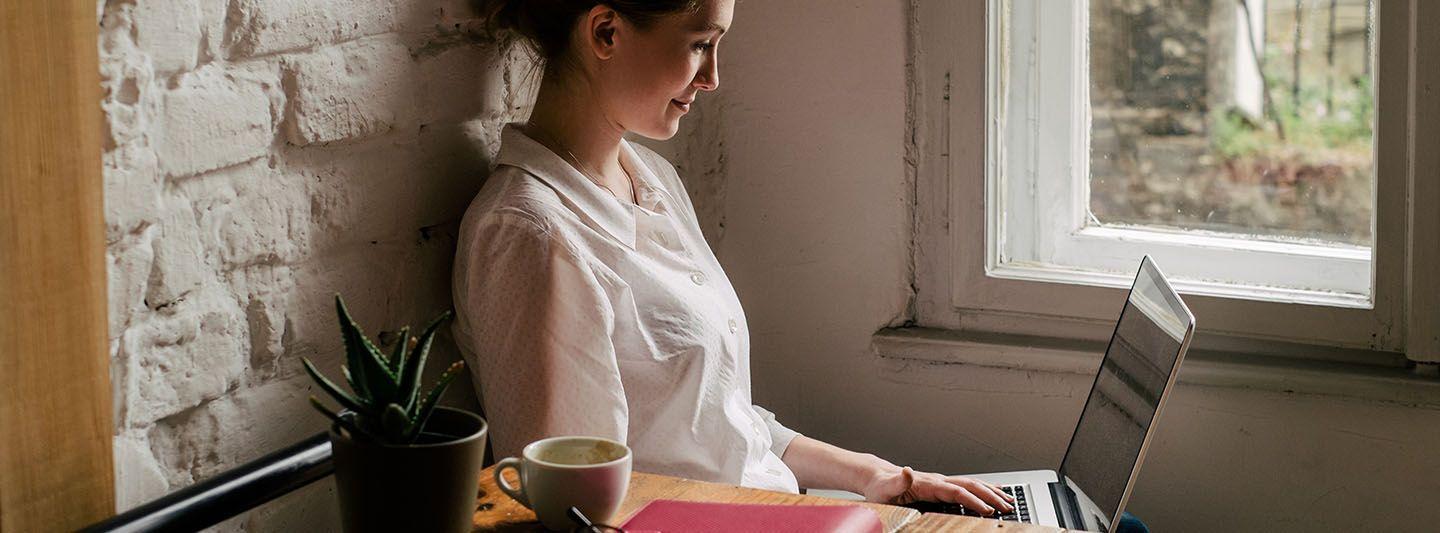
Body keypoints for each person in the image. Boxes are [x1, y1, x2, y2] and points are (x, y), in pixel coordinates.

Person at [451, 0, 1021, 516]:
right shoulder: (530, 233)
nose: (713, 78)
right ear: (605, 32)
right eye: (701, 43)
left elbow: (721, 425)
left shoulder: (652, 179)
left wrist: (877, 475)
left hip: (784, 512)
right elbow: (570, 508)